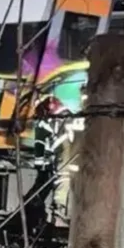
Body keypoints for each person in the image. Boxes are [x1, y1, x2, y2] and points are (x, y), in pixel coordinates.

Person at [51, 85, 87, 226]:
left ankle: (59, 213)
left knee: (64, 184)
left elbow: (63, 142)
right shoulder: (97, 120)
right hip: (84, 163)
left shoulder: (72, 118)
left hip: (72, 162)